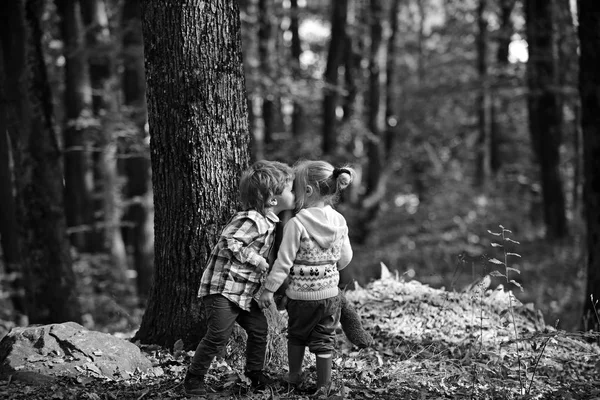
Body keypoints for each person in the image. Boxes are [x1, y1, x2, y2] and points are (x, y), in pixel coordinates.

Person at [184, 160, 295, 396]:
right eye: (290, 189)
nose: (294, 193)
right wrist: (257, 260)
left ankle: (254, 373)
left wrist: (263, 290)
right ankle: (194, 377)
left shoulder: (269, 223)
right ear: (273, 200)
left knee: (259, 328)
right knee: (217, 335)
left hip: (243, 294)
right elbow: (229, 241)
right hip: (223, 289)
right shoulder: (251, 219)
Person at [258, 160, 355, 396]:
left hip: (300, 296)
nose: (295, 194)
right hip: (330, 295)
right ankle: (323, 385)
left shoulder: (296, 224)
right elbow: (345, 259)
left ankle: (294, 374)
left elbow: (283, 262)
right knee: (325, 340)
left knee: (297, 335)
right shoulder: (339, 221)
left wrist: (269, 290)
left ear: (308, 191)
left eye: (297, 190)